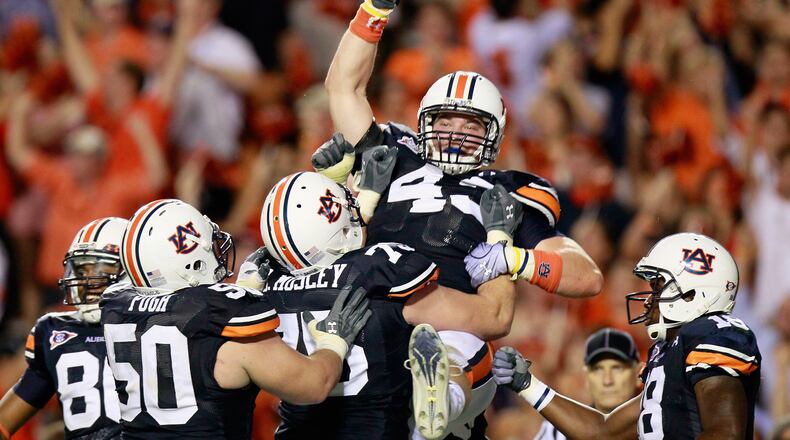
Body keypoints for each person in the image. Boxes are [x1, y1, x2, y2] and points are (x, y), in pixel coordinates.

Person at [319, 0, 602, 298]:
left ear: (493, 134)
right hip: (369, 303)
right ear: (424, 122)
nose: (456, 134)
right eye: (445, 122)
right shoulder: (394, 153)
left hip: (448, 325)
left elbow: (587, 276)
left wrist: (518, 260)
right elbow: (343, 88)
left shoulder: (503, 192)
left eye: (470, 127)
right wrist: (376, 9)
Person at [255, 171, 515, 439]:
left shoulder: (265, 286)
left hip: (295, 432)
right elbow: (495, 317)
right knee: (467, 343)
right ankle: (448, 400)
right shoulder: (379, 269)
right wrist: (500, 240)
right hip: (378, 430)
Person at [99, 199, 371, 438]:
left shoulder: (116, 306)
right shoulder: (227, 320)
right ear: (190, 264)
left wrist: (245, 289)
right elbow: (314, 385)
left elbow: (177, 313)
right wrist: (333, 343)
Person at [492, 232, 762, 439]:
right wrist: (528, 385)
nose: (648, 300)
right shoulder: (668, 354)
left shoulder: (714, 334)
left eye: (657, 287)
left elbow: (726, 434)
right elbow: (602, 431)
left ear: (693, 294)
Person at [0, 217, 129, 440]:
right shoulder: (57, 333)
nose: (85, 281)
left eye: (98, 270)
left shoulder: (165, 324)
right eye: (81, 270)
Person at [535, 328, 642, 440]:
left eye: (617, 368)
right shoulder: (558, 429)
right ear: (586, 377)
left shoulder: (655, 424)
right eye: (598, 369)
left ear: (638, 374)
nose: (607, 380)